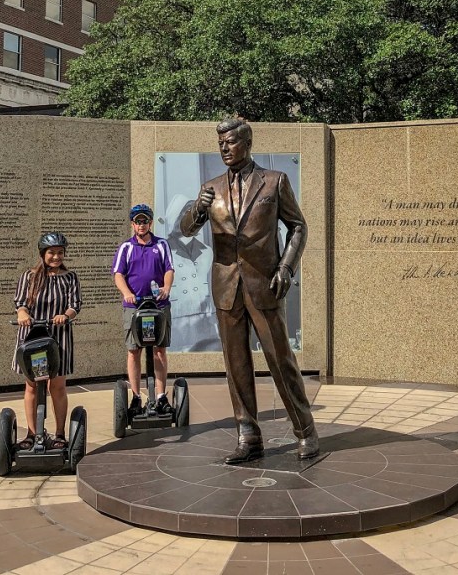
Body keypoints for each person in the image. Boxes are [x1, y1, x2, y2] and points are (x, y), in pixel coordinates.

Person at [180, 117, 318, 464]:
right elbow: (186, 229)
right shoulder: (211, 188)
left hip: (264, 284)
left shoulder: (275, 181)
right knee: (236, 363)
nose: (224, 148)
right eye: (220, 144)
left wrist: (286, 267)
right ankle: (249, 435)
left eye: (230, 142)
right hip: (227, 286)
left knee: (280, 360)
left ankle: (305, 430)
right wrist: (198, 207)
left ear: (247, 143)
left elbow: (298, 227)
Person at [13, 231, 81, 450]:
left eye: (60, 252)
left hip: (58, 337)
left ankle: (60, 434)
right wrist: (23, 314)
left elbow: (75, 305)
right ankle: (32, 434)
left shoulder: (70, 277)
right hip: (32, 337)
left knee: (57, 387)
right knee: (32, 386)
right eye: (52, 252)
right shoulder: (29, 276)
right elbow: (21, 303)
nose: (56, 257)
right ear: (43, 253)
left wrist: (65, 315)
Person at [112, 204, 175, 416]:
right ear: (132, 224)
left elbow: (169, 269)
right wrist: (127, 293)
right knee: (134, 351)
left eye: (145, 221)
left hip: (158, 305)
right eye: (138, 221)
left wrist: (166, 288)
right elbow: (118, 274)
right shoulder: (126, 248)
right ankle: (136, 396)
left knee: (159, 350)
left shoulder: (161, 245)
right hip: (134, 306)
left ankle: (161, 396)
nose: (141, 225)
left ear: (150, 223)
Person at [164, 194, 219, 352]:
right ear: (175, 219)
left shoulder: (207, 251)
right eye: (186, 213)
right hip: (177, 325)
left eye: (194, 212)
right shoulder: (163, 250)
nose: (192, 218)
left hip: (206, 323)